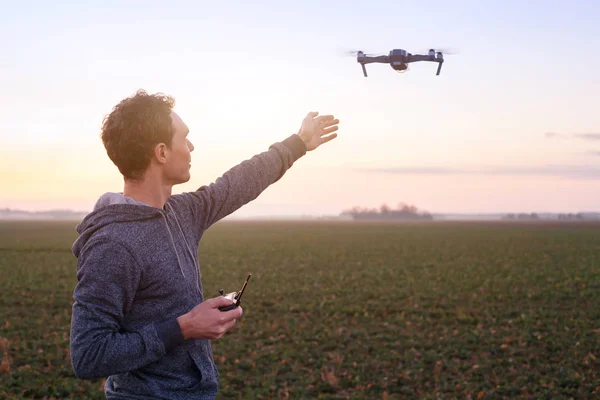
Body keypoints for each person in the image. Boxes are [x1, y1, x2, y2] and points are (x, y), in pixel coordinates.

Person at [69, 89, 339, 399]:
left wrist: (298, 143)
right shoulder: (112, 245)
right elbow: (88, 355)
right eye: (184, 139)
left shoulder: (181, 212)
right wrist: (185, 327)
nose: (191, 146)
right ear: (161, 152)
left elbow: (236, 185)